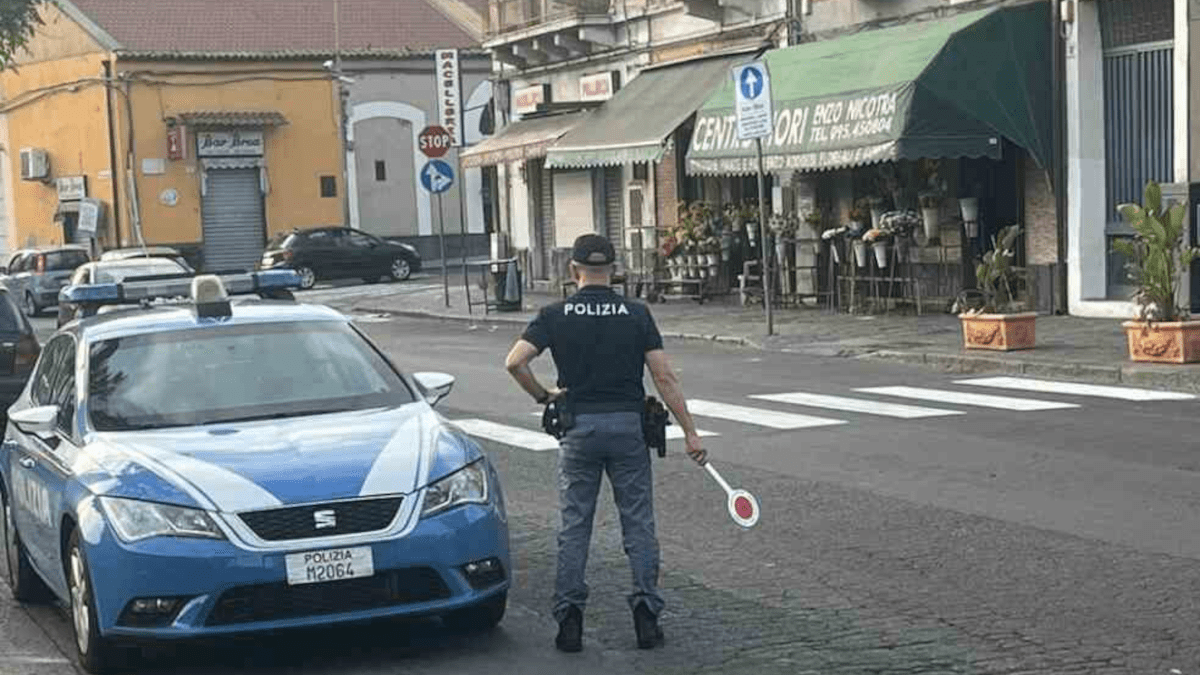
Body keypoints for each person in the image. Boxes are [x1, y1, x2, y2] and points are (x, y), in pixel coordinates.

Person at [504, 233, 707, 653]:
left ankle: (570, 622)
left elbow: (514, 362)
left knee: (575, 525)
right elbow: (663, 377)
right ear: (613, 271)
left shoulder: (554, 314)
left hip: (578, 428)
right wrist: (689, 430)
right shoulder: (636, 313)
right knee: (638, 523)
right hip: (628, 427)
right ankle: (647, 618)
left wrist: (543, 396)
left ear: (572, 270)